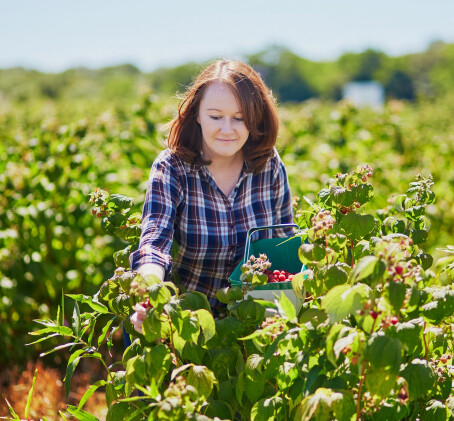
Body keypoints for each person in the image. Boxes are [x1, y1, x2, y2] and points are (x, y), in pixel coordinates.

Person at [129, 59, 295, 313]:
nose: (226, 129)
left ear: (255, 119)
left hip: (251, 318)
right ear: (196, 114)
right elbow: (154, 243)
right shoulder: (173, 167)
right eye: (215, 116)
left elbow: (285, 243)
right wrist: (151, 294)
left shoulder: (268, 165)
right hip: (186, 320)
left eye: (239, 118)